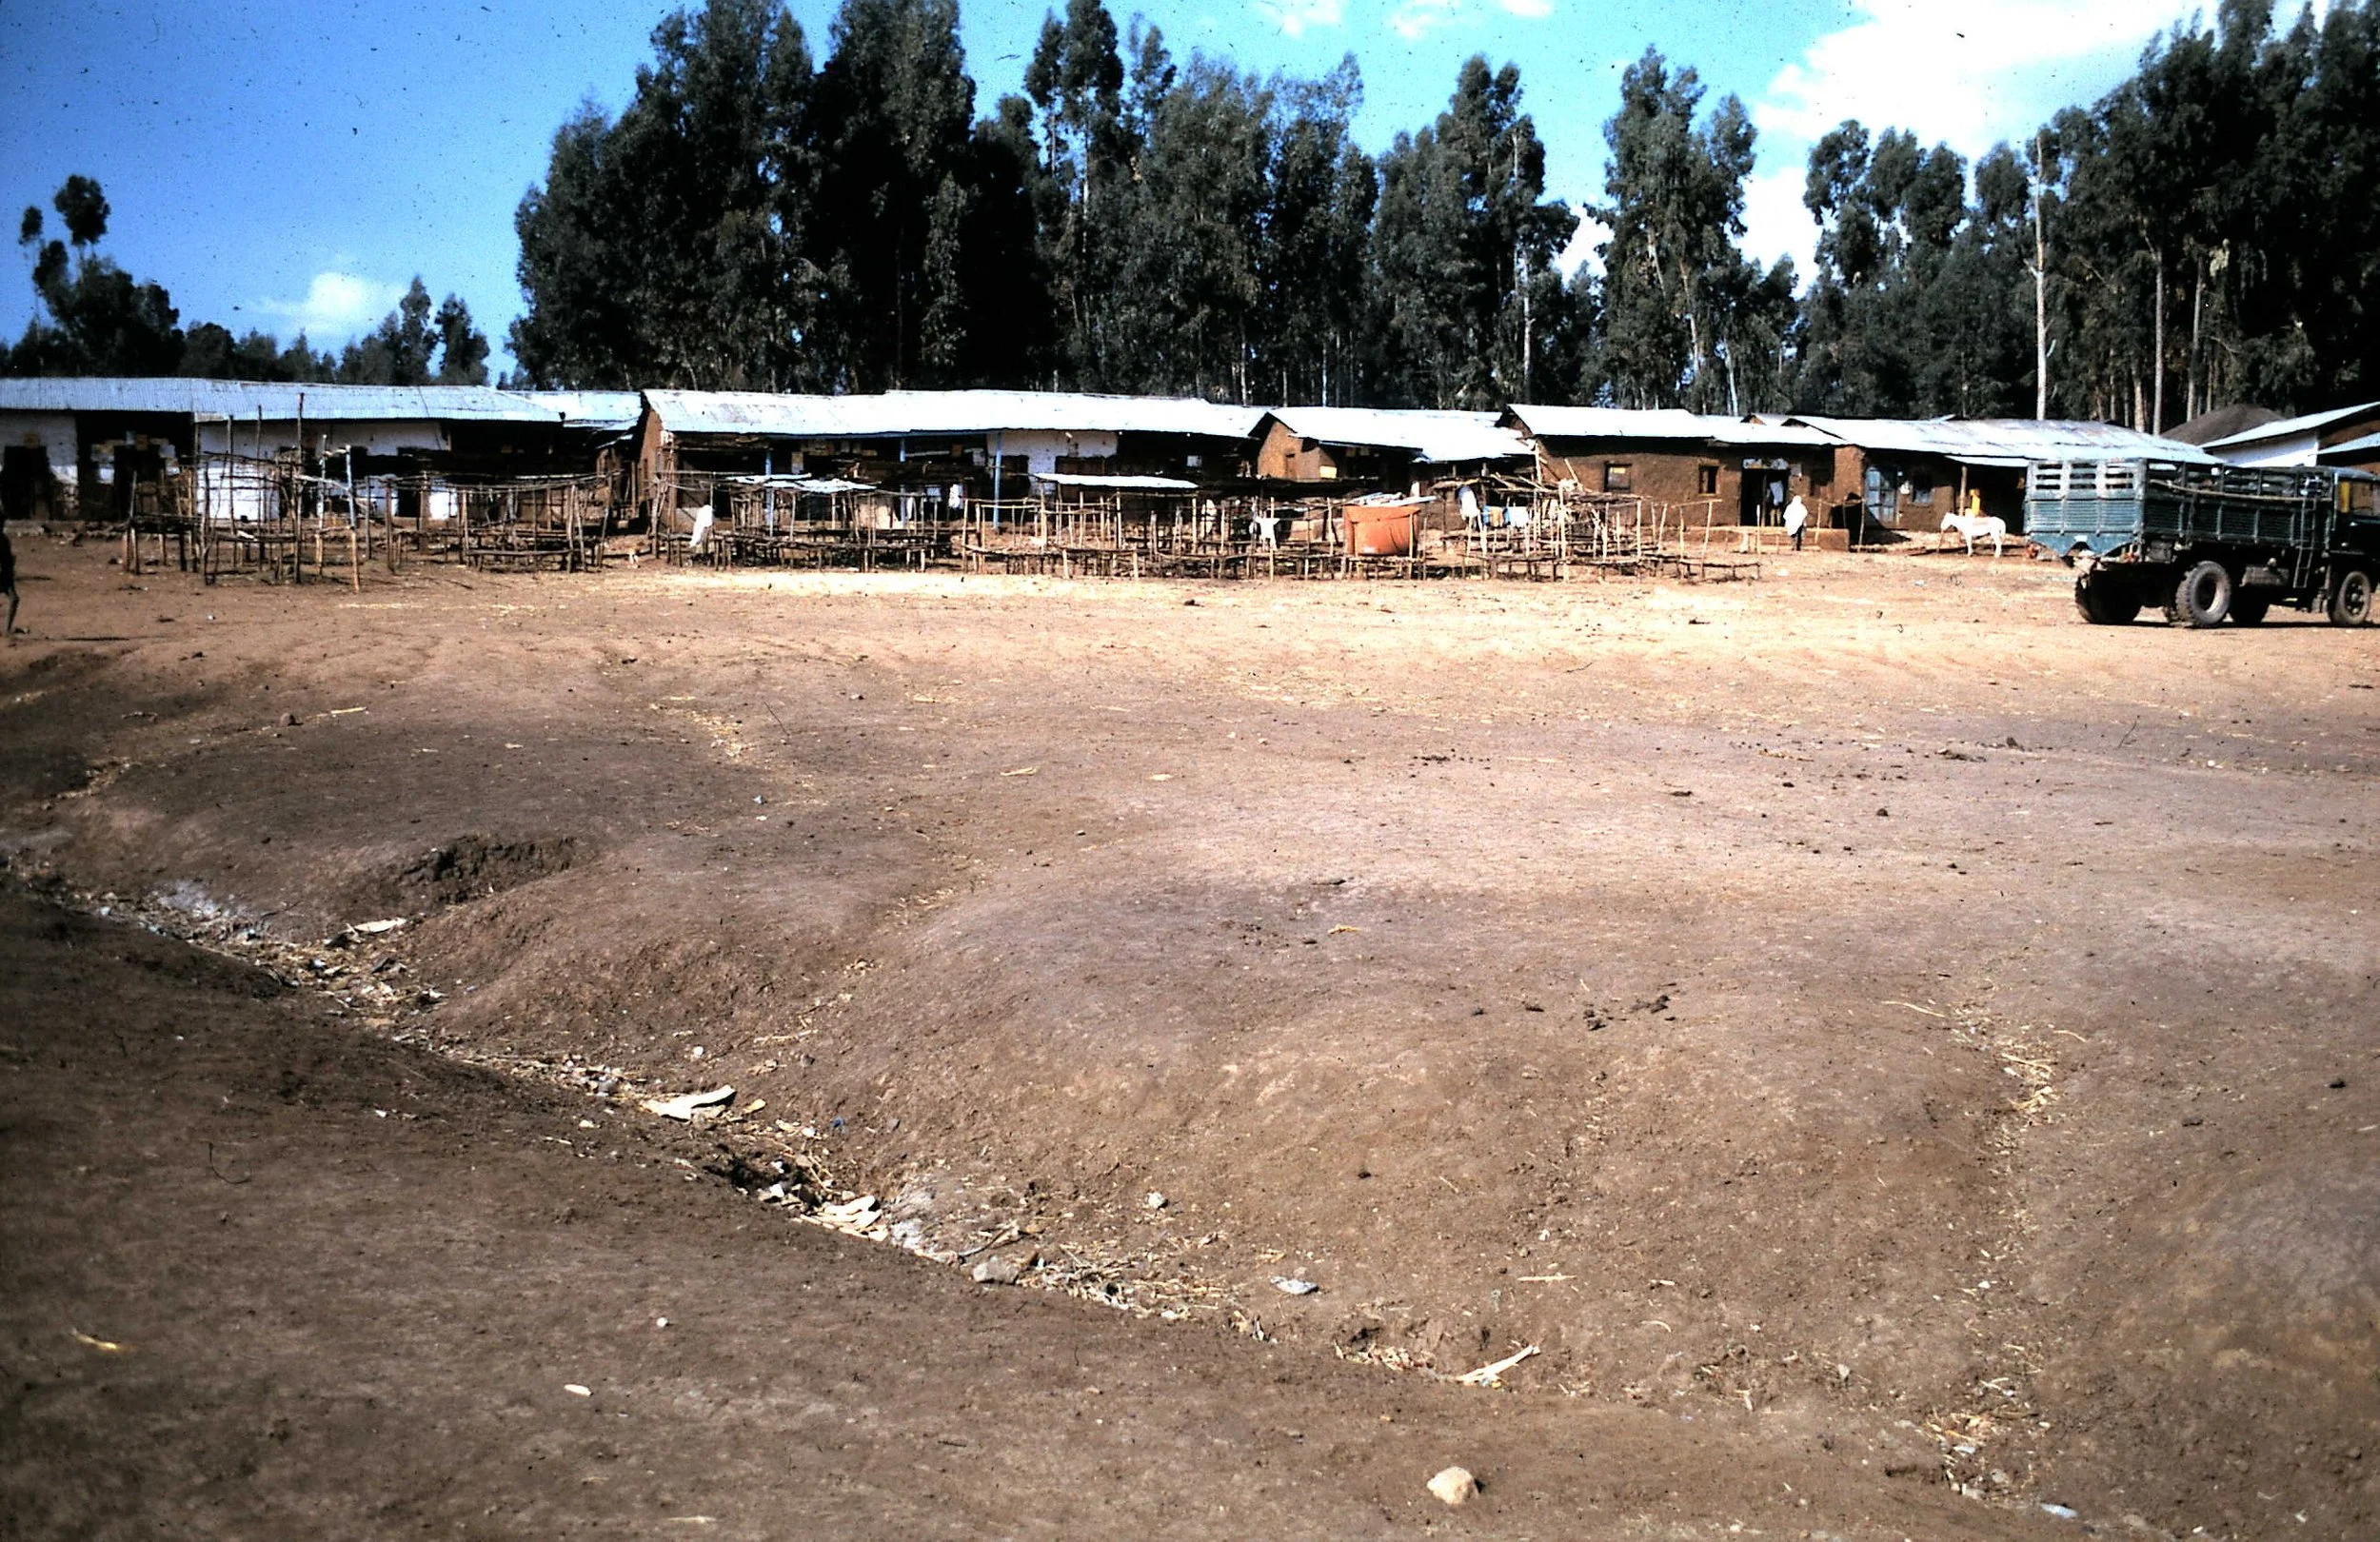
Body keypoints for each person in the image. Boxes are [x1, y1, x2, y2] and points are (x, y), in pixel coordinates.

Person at [0, 525, 16, 641]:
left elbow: (8, 558)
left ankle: (7, 630)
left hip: (5, 575)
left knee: (14, 599)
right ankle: (7, 630)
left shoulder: (4, 539)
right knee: (14, 599)